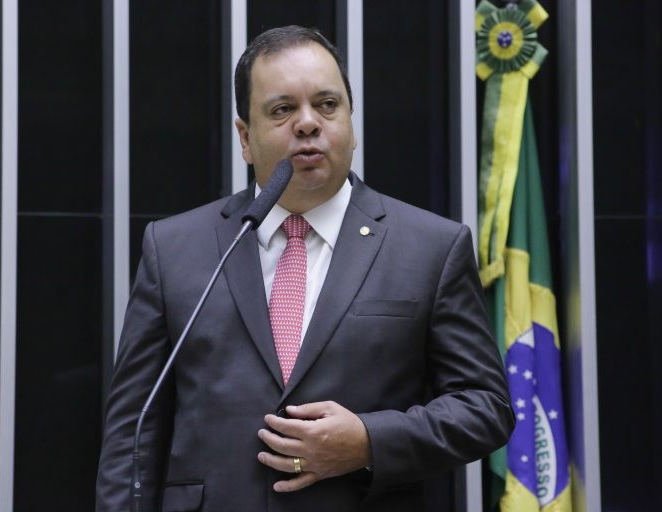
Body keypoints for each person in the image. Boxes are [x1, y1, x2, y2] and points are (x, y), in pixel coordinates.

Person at [96, 25, 513, 511]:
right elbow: (134, 430)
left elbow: (485, 407)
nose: (309, 123)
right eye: (282, 110)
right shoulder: (175, 248)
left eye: (327, 105)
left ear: (351, 125)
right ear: (245, 139)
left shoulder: (431, 247)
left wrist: (368, 440)